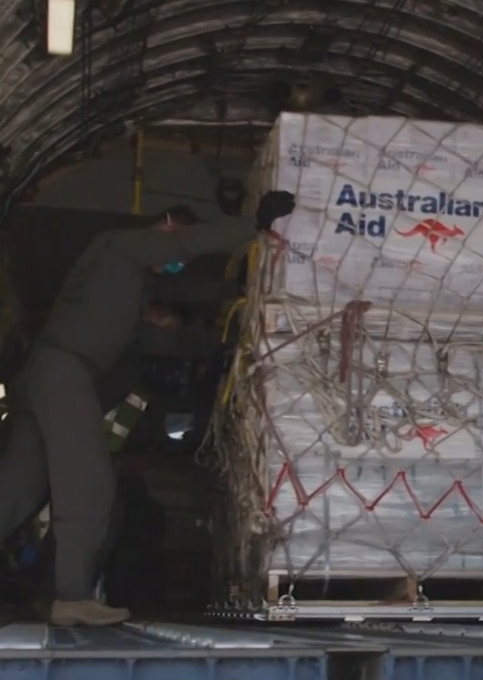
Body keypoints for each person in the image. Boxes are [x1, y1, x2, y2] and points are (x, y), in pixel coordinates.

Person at [0, 191, 295, 626]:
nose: (175, 261)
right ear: (167, 225)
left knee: (16, 489)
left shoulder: (132, 285)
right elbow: (179, 249)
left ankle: (70, 593)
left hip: (48, 377)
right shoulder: (121, 244)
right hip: (64, 373)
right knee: (89, 482)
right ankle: (73, 597)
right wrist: (253, 226)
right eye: (175, 247)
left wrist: (242, 295)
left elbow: (187, 294)